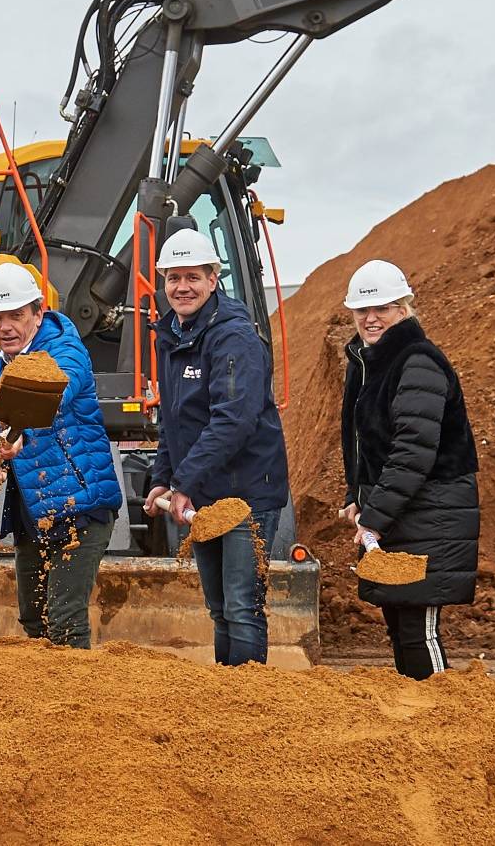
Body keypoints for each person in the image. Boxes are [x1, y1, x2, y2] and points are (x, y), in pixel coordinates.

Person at [142, 227, 291, 666]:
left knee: (243, 608)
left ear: (213, 279)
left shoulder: (233, 336)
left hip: (247, 491)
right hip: (206, 491)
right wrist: (162, 479)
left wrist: (183, 482)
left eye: (193, 276)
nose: (182, 287)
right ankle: (226, 696)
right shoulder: (171, 335)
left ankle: (247, 703)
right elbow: (173, 421)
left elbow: (234, 418)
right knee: (221, 609)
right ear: (163, 283)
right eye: (173, 278)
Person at [338, 259, 479, 680]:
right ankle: (419, 726)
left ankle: (447, 723)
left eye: (382, 307)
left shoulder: (417, 362)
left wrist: (374, 518)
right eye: (362, 310)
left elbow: (413, 452)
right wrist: (355, 497)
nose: (370, 317)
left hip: (430, 512)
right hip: (400, 512)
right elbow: (369, 444)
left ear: (404, 309)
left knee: (419, 632)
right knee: (400, 627)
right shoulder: (369, 363)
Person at [0, 262, 122, 648]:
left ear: (38, 313)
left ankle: (79, 704)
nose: (5, 326)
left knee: (65, 620)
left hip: (80, 505)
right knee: (33, 618)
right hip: (32, 510)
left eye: (16, 316)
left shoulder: (65, 349)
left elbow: (54, 393)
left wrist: (17, 433)